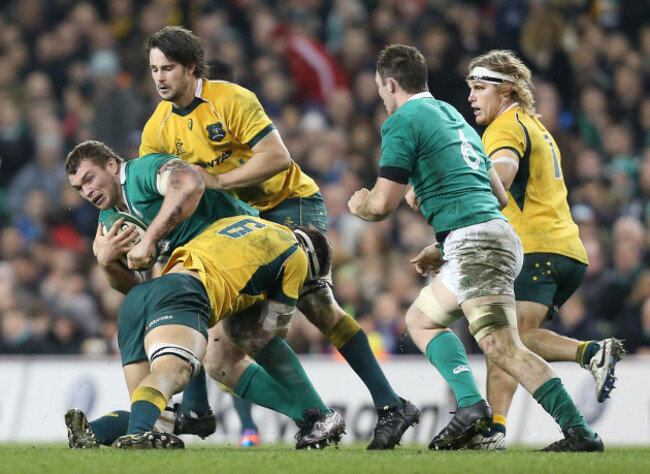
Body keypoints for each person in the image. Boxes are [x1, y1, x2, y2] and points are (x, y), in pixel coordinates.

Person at [139, 26, 418, 450]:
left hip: (289, 204)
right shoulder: (156, 131)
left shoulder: (231, 100)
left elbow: (277, 157)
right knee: (216, 338)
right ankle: (211, 410)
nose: (159, 77)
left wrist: (218, 180)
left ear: (191, 67)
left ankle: (382, 404)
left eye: (168, 68)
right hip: (237, 222)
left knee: (315, 306)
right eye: (154, 69)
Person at [347, 44, 603, 452]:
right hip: (487, 236)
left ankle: (580, 433)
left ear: (390, 84)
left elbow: (380, 206)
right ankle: (470, 405)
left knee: (503, 346)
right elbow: (498, 195)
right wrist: (444, 239)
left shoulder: (403, 121)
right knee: (422, 319)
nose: (380, 97)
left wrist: (356, 202)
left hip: (477, 243)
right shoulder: (457, 119)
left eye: (380, 89)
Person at [63, 141, 344, 449]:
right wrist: (106, 261)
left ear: (112, 166)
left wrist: (150, 241)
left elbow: (189, 183)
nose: (86, 192)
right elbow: (134, 286)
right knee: (217, 362)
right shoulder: (110, 221)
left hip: (233, 261)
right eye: (78, 188)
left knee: (228, 349)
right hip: (194, 282)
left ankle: (311, 415)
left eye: (89, 179)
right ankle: (309, 415)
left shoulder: (142, 171)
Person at [464, 50, 624, 450]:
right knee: (505, 338)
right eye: (470, 88)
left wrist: (461, 184)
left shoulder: (503, 128)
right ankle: (496, 427)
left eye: (480, 87)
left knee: (504, 340)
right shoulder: (533, 125)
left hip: (534, 248)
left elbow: (502, 172)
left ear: (507, 91)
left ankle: (589, 354)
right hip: (567, 251)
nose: (471, 96)